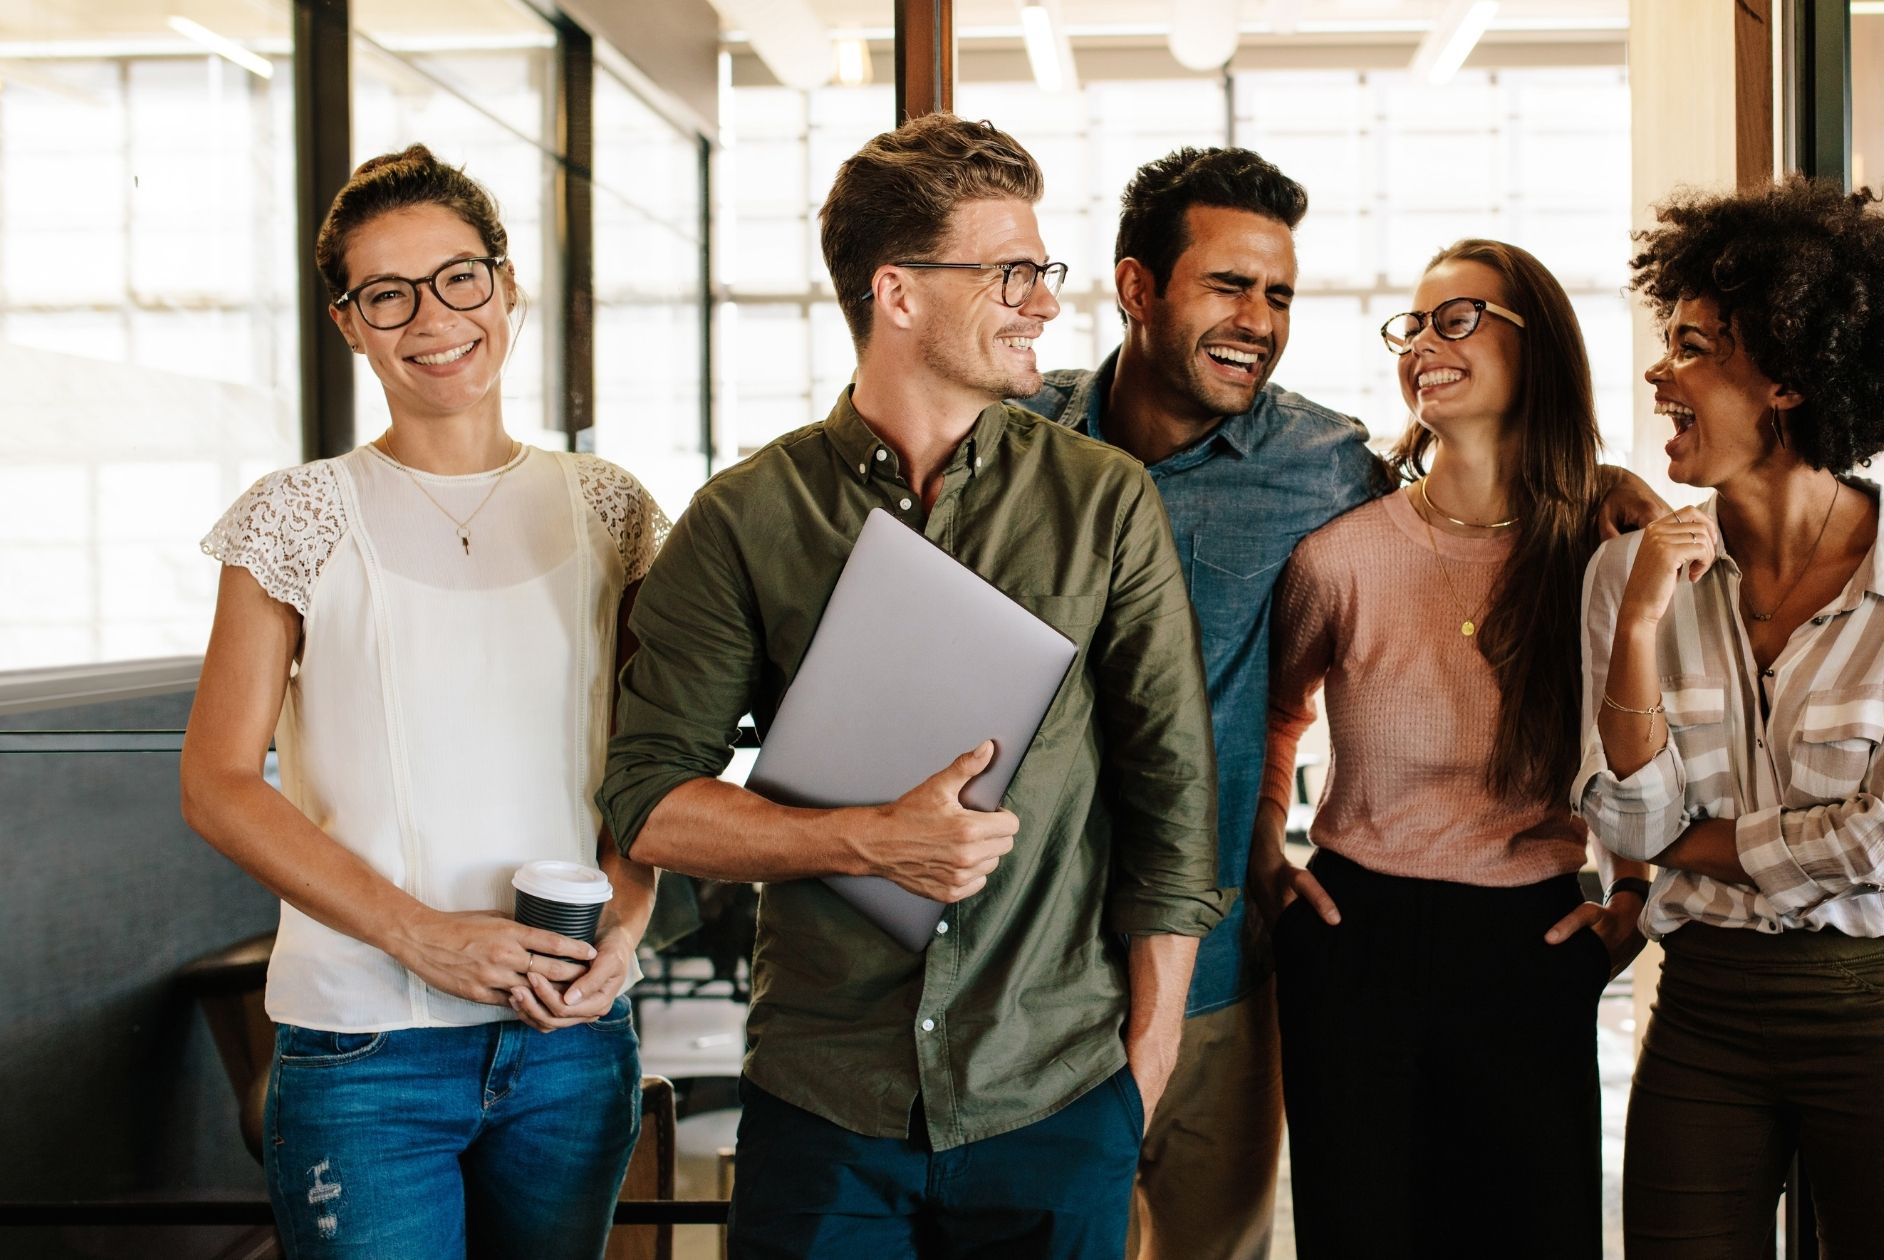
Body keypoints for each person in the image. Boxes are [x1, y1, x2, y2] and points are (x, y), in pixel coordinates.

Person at [596, 113, 1227, 1260]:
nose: (1044, 300)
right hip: (826, 1097)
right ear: (898, 293)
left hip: (1056, 1091)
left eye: (1044, 269)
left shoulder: (1103, 502)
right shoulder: (747, 519)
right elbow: (646, 798)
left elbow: (1174, 798)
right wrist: (868, 840)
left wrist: (1146, 1060)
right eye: (1012, 272)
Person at [1014, 152, 1666, 1260]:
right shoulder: (1015, 442)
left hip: (1254, 951)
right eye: (1228, 286)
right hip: (1033, 955)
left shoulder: (1325, 472)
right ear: (1135, 288)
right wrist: (1277, 844)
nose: (1258, 322)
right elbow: (1288, 699)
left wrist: (1644, 889)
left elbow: (1496, 519)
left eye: (1279, 295)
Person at [181, 145, 664, 1259]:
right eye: (386, 294)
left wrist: (626, 929)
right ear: (351, 323)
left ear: (505, 288)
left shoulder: (612, 508)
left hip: (569, 1042)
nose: (432, 317)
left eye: (459, 277)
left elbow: (652, 763)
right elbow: (214, 785)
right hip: (363, 1050)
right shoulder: (293, 514)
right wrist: (422, 938)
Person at [1582, 177, 1884, 1258]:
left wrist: (1689, 840)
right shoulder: (1629, 573)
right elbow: (1624, 828)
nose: (1657, 371)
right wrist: (1636, 628)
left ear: (1789, 378)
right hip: (1704, 1010)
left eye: (1692, 345)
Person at [1250, 239, 1653, 1259]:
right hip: (1357, 937)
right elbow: (1273, 714)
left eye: (1458, 317)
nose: (1426, 343)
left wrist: (1637, 892)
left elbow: (1656, 735)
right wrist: (1266, 859)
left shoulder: (1600, 548)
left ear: (1539, 346)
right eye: (1414, 326)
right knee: (1360, 1237)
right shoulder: (1343, 554)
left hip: (1531, 944)